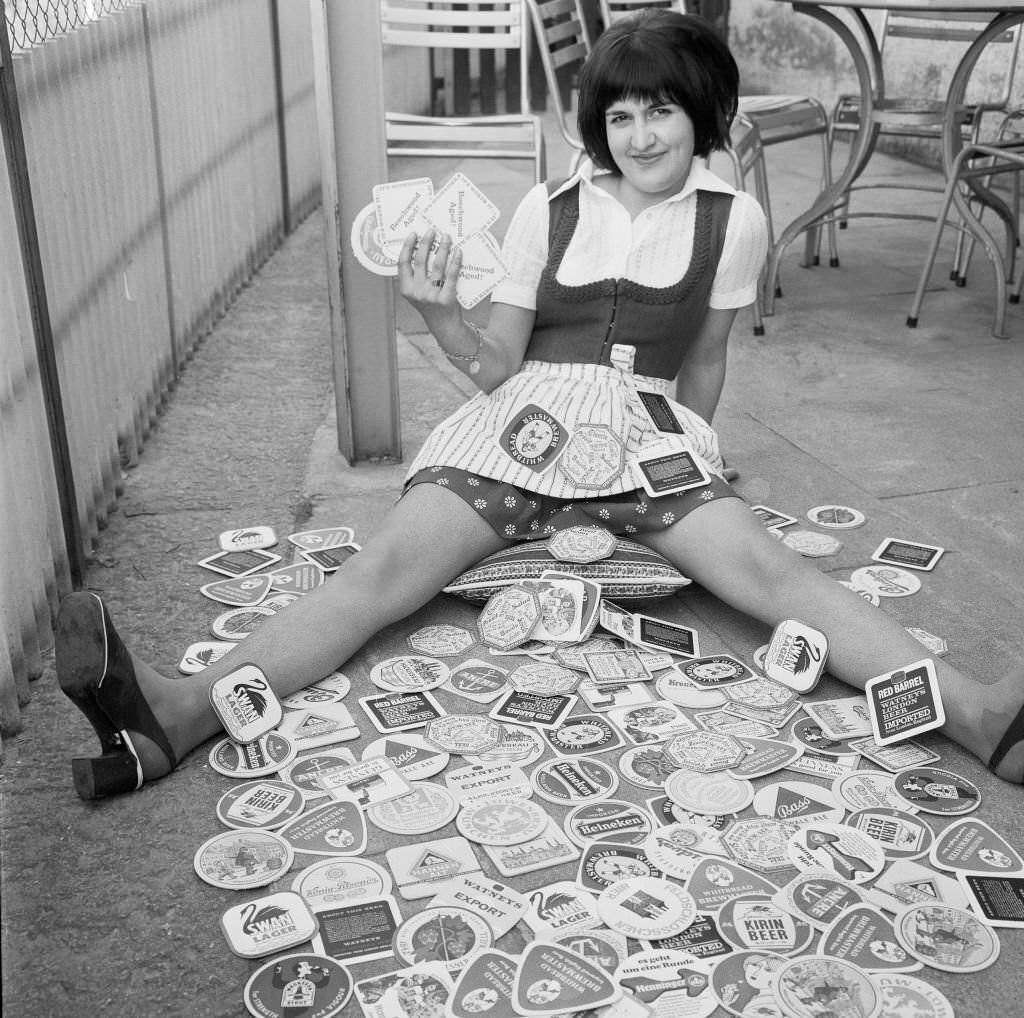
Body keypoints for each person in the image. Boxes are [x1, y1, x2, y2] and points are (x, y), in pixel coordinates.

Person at [54, 9, 1024, 799]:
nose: (638, 134)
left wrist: (701, 464)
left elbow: (708, 362)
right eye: (619, 116)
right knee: (381, 572)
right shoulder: (544, 210)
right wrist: (435, 309)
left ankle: (984, 720)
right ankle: (170, 718)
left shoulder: (736, 220)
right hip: (512, 432)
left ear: (701, 113)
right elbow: (490, 365)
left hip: (648, 443)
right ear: (596, 124)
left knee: (776, 580)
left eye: (659, 112)